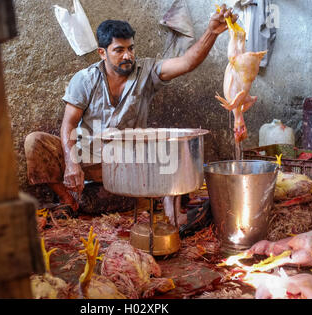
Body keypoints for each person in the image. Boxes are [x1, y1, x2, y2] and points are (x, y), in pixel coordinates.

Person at [25, 5, 238, 212]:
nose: (127, 55)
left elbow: (187, 62)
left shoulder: (146, 71)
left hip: (128, 162)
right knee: (35, 141)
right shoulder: (85, 79)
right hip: (89, 155)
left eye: (130, 48)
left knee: (169, 158)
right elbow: (69, 124)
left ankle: (120, 198)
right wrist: (72, 165)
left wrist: (212, 32)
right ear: (102, 53)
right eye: (119, 50)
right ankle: (67, 200)